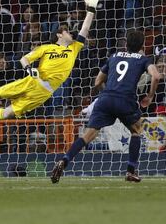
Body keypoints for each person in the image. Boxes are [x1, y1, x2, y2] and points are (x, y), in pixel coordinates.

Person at [0, 0, 100, 124]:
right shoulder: (46, 48)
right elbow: (24, 59)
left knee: (6, 114)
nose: (70, 33)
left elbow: (85, 28)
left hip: (44, 92)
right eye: (66, 31)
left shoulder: (73, 48)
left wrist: (91, 9)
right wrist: (29, 69)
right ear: (59, 35)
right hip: (32, 81)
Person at [50, 30, 160, 184]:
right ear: (142, 45)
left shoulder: (114, 56)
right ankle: (131, 171)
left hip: (105, 98)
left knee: (87, 136)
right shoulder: (143, 59)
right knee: (136, 131)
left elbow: (97, 82)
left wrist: (108, 94)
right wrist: (150, 96)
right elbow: (156, 76)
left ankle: (64, 160)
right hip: (125, 99)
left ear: (126, 44)